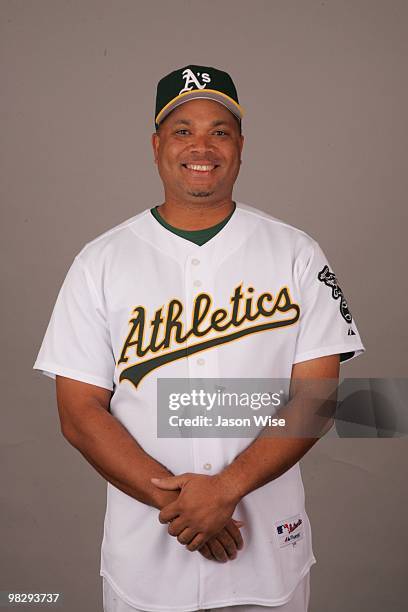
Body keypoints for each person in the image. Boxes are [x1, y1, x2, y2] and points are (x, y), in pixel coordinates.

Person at [33, 64, 365, 612]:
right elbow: (79, 411)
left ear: (240, 145)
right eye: (183, 129)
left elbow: (318, 398)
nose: (201, 145)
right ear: (157, 143)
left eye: (220, 130)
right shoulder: (101, 261)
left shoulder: (296, 253)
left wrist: (224, 490)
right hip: (147, 557)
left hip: (267, 553)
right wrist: (186, 507)